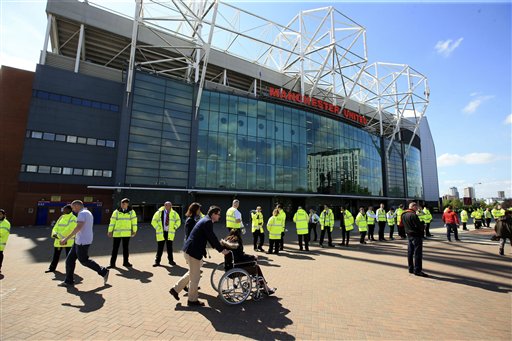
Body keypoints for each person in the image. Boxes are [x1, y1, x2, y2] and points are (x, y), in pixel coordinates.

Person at [169, 206, 229, 307]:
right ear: (213, 214)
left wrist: (220, 246)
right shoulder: (207, 222)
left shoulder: (205, 220)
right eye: (218, 214)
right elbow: (212, 237)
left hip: (191, 250)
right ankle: (192, 300)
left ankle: (175, 289)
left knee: (193, 273)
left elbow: (210, 238)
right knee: (195, 277)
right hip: (193, 252)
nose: (219, 216)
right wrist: (221, 250)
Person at [58, 200, 109, 287]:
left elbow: (78, 227)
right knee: (69, 260)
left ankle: (103, 271)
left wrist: (66, 238)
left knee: (84, 260)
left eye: (73, 207)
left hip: (82, 241)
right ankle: (68, 281)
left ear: (77, 206)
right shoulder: (88, 212)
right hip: (79, 240)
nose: (73, 210)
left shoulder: (82, 214)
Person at [220, 229, 276, 295]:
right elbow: (241, 256)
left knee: (252, 264)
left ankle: (259, 282)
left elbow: (238, 256)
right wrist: (253, 257)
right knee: (256, 266)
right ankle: (266, 287)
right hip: (236, 267)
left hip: (229, 267)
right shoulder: (237, 242)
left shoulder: (227, 242)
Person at [45, 205, 76, 273]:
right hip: (58, 241)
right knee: (56, 255)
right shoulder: (61, 217)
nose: (63, 210)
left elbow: (70, 229)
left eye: (64, 209)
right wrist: (54, 234)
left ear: (69, 210)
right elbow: (55, 226)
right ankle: (52, 268)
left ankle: (69, 271)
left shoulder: (73, 218)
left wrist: (59, 236)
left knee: (69, 257)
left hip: (68, 242)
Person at [108, 198, 137, 268]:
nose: (122, 205)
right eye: (122, 203)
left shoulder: (132, 212)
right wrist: (110, 231)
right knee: (115, 249)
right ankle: (112, 264)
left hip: (127, 234)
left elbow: (134, 222)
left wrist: (134, 230)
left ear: (127, 204)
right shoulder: (116, 212)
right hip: (117, 234)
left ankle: (126, 262)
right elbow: (112, 222)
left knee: (125, 249)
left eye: (124, 203)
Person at [151, 201, 181, 267]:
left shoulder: (174, 213)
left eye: (170, 205)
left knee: (170, 248)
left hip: (170, 233)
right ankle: (157, 261)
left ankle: (171, 261)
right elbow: (153, 221)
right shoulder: (159, 213)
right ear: (164, 206)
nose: (169, 207)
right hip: (161, 232)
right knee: (160, 248)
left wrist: (175, 227)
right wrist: (158, 228)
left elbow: (178, 221)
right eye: (167, 205)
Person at [402, 202, 428, 277]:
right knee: (418, 253)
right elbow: (419, 226)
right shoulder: (413, 215)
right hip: (416, 235)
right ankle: (417, 270)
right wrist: (424, 226)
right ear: (413, 207)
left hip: (409, 235)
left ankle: (410, 268)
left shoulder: (404, 214)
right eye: (416, 207)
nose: (417, 209)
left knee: (410, 253)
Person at [0, 209, 11, 274]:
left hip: (0, 244)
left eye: (0, 214)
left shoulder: (6, 223)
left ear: (4, 215)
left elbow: (2, 233)